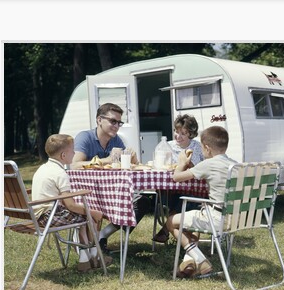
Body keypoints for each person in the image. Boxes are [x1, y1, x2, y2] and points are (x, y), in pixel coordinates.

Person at [71, 102, 151, 252]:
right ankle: (87, 240)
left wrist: (133, 159)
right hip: (87, 194)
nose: (116, 126)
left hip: (110, 192)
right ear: (99, 120)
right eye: (113, 121)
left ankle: (102, 235)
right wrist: (105, 160)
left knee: (143, 203)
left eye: (119, 122)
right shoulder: (85, 137)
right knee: (132, 204)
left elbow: (128, 166)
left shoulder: (116, 140)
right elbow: (74, 165)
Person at [32, 134, 112, 273]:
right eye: (72, 150)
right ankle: (95, 257)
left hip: (37, 215)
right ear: (63, 155)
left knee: (82, 218)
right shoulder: (60, 173)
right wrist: (94, 212)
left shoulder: (43, 168)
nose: (75, 153)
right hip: (50, 217)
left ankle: (85, 259)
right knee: (90, 217)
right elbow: (71, 205)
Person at [165, 126, 238, 278]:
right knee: (195, 214)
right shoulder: (235, 165)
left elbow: (176, 177)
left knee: (171, 222)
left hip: (218, 219)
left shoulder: (209, 163)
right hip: (238, 218)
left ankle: (199, 259)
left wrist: (181, 162)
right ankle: (190, 261)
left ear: (207, 148)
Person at [153, 114, 204, 243]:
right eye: (176, 131)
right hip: (170, 189)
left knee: (187, 197)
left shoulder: (198, 147)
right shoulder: (167, 145)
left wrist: (189, 165)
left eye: (183, 133)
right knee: (177, 197)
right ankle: (183, 236)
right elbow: (160, 165)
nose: (178, 136)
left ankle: (167, 228)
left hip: (194, 189)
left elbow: (202, 168)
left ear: (191, 134)